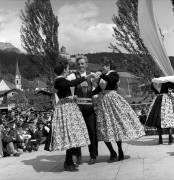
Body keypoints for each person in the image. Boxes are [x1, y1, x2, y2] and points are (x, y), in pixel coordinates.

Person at [67, 56, 117, 164]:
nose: (81, 65)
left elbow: (97, 88)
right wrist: (71, 95)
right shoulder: (72, 76)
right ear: (77, 65)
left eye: (82, 63)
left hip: (89, 107)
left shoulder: (93, 76)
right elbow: (66, 85)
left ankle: (93, 155)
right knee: (77, 132)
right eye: (79, 64)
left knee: (92, 131)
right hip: (77, 108)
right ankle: (78, 155)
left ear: (86, 65)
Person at [92, 57, 145, 160]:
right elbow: (99, 89)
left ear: (108, 66)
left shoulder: (113, 74)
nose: (101, 68)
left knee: (116, 126)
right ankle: (112, 152)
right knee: (103, 127)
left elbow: (112, 81)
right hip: (102, 102)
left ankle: (120, 149)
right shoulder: (102, 76)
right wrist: (88, 94)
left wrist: (101, 74)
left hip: (112, 99)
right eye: (101, 66)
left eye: (103, 66)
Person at [49, 59, 94, 171]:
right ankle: (68, 162)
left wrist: (71, 97)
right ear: (64, 70)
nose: (69, 70)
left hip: (69, 107)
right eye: (68, 68)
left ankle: (69, 161)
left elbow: (63, 90)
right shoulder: (59, 80)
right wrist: (85, 78)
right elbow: (69, 84)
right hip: (66, 109)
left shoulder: (61, 80)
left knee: (72, 135)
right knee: (70, 135)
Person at [146, 76, 174, 144]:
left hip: (157, 100)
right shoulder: (165, 82)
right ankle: (170, 138)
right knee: (167, 118)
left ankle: (160, 139)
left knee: (158, 119)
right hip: (165, 100)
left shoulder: (153, 84)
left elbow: (153, 89)